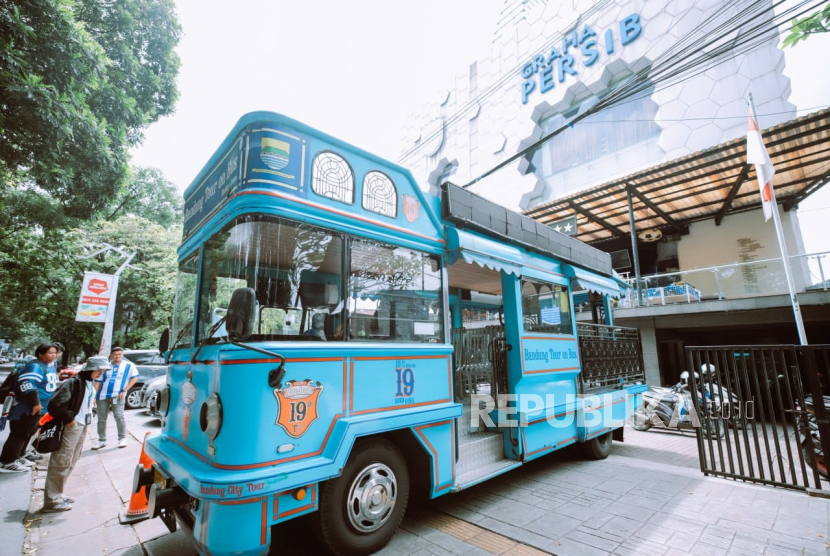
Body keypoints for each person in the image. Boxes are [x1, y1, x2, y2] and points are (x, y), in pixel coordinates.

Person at [41, 356, 109, 512]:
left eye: (103, 371)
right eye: (99, 370)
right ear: (91, 369)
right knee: (62, 460)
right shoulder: (74, 382)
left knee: (71, 460)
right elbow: (55, 404)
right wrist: (69, 419)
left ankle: (57, 494)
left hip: (81, 424)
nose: (101, 373)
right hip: (73, 425)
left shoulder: (88, 382)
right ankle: (51, 501)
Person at [0, 343, 59, 472]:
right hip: (27, 408)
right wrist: (35, 403)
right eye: (50, 353)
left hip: (40, 408)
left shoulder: (49, 366)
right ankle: (7, 461)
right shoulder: (35, 366)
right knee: (19, 434)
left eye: (55, 353)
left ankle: (19, 456)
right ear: (40, 354)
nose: (54, 355)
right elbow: (26, 384)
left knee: (28, 434)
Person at [92, 347, 138, 449]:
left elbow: (134, 378)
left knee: (119, 417)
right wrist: (93, 396)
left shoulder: (129, 365)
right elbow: (98, 382)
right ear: (111, 355)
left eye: (119, 354)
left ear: (122, 355)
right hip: (102, 396)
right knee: (101, 419)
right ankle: (101, 440)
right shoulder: (105, 366)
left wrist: (125, 390)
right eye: (115, 354)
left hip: (117, 395)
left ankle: (122, 439)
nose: (117, 356)